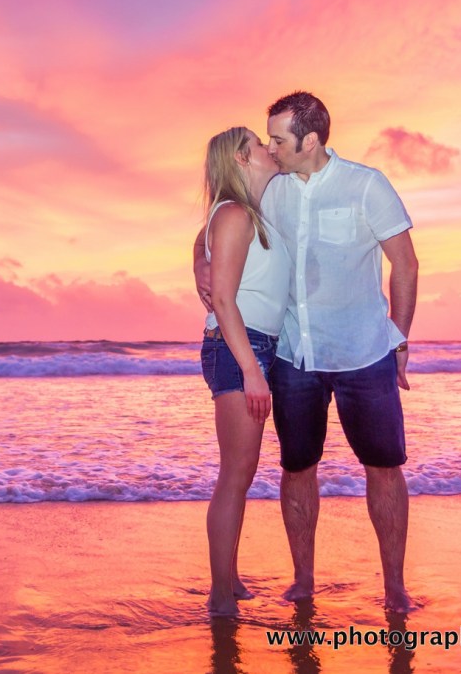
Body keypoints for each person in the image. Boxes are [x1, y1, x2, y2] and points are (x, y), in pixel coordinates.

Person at [196, 92, 418, 613]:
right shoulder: (269, 188)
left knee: (384, 466)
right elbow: (217, 223)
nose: (271, 147)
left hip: (363, 350)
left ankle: (394, 586)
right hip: (292, 354)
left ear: (311, 140)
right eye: (266, 140)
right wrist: (199, 265)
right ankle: (302, 580)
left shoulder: (366, 185)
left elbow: (405, 265)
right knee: (297, 467)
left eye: (278, 139)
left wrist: (400, 336)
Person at [198, 126, 291, 616]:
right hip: (239, 347)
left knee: (242, 473)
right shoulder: (235, 214)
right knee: (235, 474)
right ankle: (219, 594)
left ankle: (229, 577)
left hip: (255, 345)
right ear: (240, 157)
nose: (269, 149)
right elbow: (224, 300)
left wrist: (197, 257)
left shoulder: (246, 212)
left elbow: (205, 241)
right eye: (259, 143)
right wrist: (252, 372)